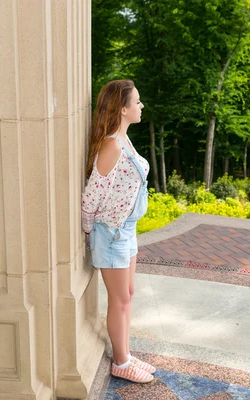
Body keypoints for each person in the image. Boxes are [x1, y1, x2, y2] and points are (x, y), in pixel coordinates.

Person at [81, 79, 155, 384]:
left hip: (126, 229)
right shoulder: (112, 145)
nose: (140, 106)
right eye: (136, 102)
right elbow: (91, 196)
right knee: (119, 298)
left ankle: (125, 352)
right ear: (122, 109)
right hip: (111, 233)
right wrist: (88, 232)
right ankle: (121, 362)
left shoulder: (124, 140)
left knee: (128, 294)